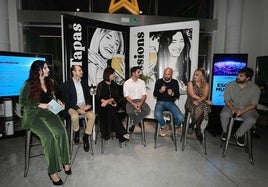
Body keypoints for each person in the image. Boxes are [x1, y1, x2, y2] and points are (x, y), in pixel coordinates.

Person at [19, 60, 71, 185]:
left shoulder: (51, 82)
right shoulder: (28, 85)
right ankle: (52, 171)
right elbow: (23, 101)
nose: (48, 70)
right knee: (49, 137)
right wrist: (38, 105)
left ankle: (65, 161)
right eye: (46, 68)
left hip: (50, 112)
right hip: (34, 115)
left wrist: (60, 101)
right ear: (39, 70)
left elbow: (59, 94)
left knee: (61, 132)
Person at [220, 67, 260, 146]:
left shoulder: (255, 88)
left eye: (241, 76)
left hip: (247, 108)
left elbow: (254, 104)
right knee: (224, 114)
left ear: (248, 78)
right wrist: (232, 109)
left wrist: (242, 111)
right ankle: (225, 132)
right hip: (231, 106)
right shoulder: (230, 85)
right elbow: (226, 100)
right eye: (238, 75)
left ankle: (238, 135)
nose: (238, 77)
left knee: (252, 119)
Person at [61, 65, 96, 152]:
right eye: (79, 70)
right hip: (72, 106)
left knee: (92, 116)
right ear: (74, 72)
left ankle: (86, 136)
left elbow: (88, 96)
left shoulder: (84, 83)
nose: (82, 72)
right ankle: (76, 132)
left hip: (83, 104)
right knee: (74, 117)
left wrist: (88, 104)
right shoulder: (66, 85)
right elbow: (68, 101)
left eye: (81, 70)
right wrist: (78, 109)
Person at [96, 67, 129, 142]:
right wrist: (107, 102)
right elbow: (98, 97)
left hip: (112, 105)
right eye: (112, 74)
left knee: (111, 109)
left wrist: (108, 101)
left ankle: (108, 133)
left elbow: (116, 97)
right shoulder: (101, 85)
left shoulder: (115, 85)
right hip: (102, 107)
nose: (114, 75)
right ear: (107, 74)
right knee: (109, 108)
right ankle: (122, 132)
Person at [153, 67, 184, 136]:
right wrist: (160, 91)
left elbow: (177, 95)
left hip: (170, 103)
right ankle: (164, 127)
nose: (166, 76)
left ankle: (174, 126)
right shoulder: (159, 81)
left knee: (180, 117)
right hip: (160, 102)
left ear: (171, 74)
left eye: (168, 74)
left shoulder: (174, 82)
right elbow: (154, 94)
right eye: (165, 74)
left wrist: (172, 93)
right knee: (157, 114)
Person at [185, 68, 212, 142]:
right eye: (194, 74)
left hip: (200, 102)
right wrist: (205, 101)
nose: (194, 76)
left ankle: (192, 124)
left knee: (201, 107)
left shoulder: (206, 85)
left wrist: (200, 100)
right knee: (202, 106)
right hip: (190, 102)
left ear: (201, 77)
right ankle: (197, 128)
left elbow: (205, 95)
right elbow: (192, 95)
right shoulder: (190, 83)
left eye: (197, 75)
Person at [123, 66, 151, 133]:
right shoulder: (127, 83)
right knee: (129, 111)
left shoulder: (142, 82)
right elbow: (126, 96)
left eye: (140, 72)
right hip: (131, 101)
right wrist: (133, 104)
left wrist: (140, 103)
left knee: (147, 109)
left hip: (140, 100)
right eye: (138, 72)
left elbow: (144, 95)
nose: (140, 73)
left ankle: (133, 123)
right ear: (133, 73)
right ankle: (138, 121)